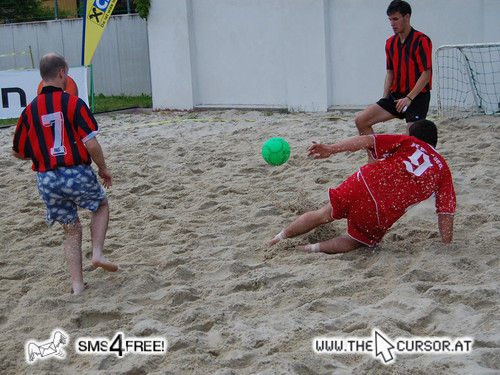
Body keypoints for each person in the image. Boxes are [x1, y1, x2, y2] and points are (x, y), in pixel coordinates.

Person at [12, 53, 117, 295]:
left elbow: (18, 151)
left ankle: (78, 286)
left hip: (46, 179)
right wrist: (103, 168)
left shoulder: (29, 111)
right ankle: (98, 253)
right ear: (61, 73)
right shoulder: (74, 103)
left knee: (71, 229)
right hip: (75, 171)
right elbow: (91, 144)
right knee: (100, 205)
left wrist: (42, 153)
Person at [269, 120, 455, 254]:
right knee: (355, 242)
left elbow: (367, 140)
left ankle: (279, 237)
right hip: (381, 209)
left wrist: (332, 148)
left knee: (323, 214)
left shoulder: (410, 142)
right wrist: (446, 244)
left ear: (413, 135)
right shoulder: (443, 171)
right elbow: (446, 212)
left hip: (365, 181)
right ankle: (308, 249)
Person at [355, 1, 432, 140]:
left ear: (407, 17)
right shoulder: (390, 43)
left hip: (418, 97)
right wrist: (384, 98)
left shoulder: (421, 40)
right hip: (396, 96)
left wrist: (409, 98)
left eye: (395, 19)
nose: (392, 23)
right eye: (390, 19)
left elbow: (426, 74)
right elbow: (390, 72)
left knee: (410, 139)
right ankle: (374, 159)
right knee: (361, 120)